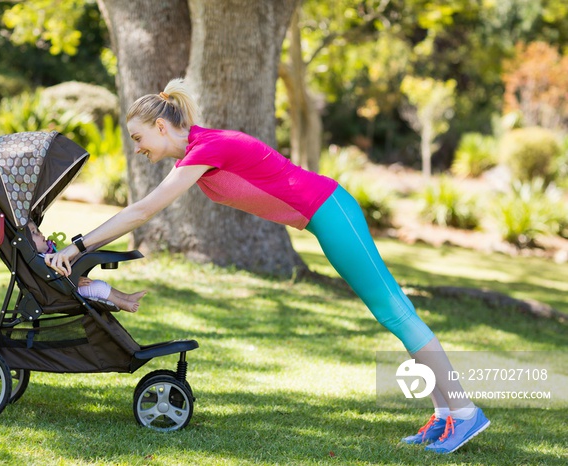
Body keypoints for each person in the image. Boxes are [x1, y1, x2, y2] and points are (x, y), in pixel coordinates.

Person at [45, 78, 489, 453]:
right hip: (324, 217)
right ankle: (445, 414)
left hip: (332, 211)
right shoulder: (195, 152)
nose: (138, 148)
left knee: (395, 311)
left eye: (140, 138)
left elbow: (141, 212)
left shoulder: (205, 148)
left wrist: (79, 246)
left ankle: (465, 412)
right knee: (392, 314)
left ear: (161, 125)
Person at [27, 222, 146, 312]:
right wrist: (74, 281)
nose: (40, 233)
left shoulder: (42, 257)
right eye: (33, 233)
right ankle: (123, 304)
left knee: (100, 284)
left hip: (66, 287)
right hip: (64, 291)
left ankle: (127, 297)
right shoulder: (41, 260)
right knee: (99, 287)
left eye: (37, 230)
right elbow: (51, 277)